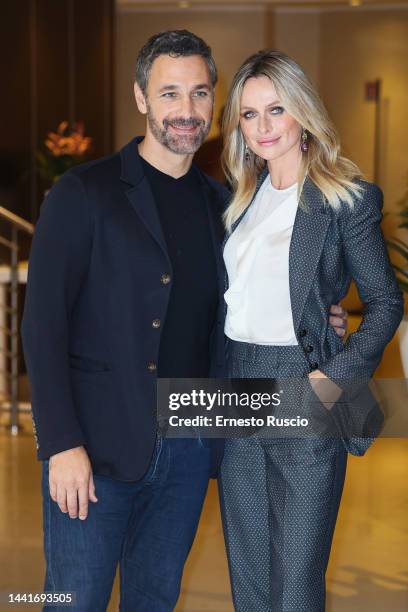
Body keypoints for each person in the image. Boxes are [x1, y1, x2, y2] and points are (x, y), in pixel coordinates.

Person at [21, 31, 347, 611]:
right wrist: (60, 444)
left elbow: (245, 310)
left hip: (188, 448)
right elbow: (42, 327)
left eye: (200, 94)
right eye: (170, 94)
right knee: (73, 601)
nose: (187, 110)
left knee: (155, 600)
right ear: (142, 98)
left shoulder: (227, 206)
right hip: (93, 452)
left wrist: (320, 322)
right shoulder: (82, 193)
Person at [218, 49, 403, 612]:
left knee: (295, 584)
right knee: (249, 578)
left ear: (303, 114)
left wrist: (332, 378)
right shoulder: (241, 201)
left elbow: (386, 302)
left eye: (276, 110)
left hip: (305, 386)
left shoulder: (345, 197)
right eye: (249, 115)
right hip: (238, 389)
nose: (263, 127)